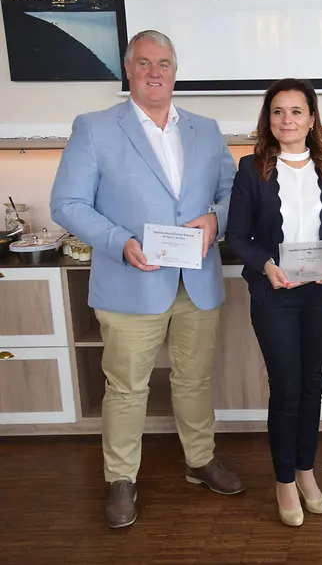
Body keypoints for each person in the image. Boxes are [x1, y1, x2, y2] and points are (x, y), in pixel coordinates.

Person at [49, 30, 245, 529]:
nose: (155, 71)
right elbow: (67, 203)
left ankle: (200, 462)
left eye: (164, 63)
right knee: (127, 387)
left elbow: (232, 193)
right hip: (130, 279)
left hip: (196, 282)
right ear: (128, 70)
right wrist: (120, 241)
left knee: (195, 379)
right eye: (144, 63)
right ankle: (121, 479)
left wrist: (216, 220)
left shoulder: (205, 128)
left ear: (175, 71)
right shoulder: (94, 128)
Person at [225, 78, 322, 527]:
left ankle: (306, 472)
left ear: (312, 118)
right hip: (275, 294)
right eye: (278, 112)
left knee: (312, 387)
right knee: (286, 389)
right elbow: (238, 235)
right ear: (269, 119)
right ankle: (283, 481)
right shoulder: (251, 167)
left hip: (321, 294)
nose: (287, 120)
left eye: (296, 111)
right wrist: (266, 265)